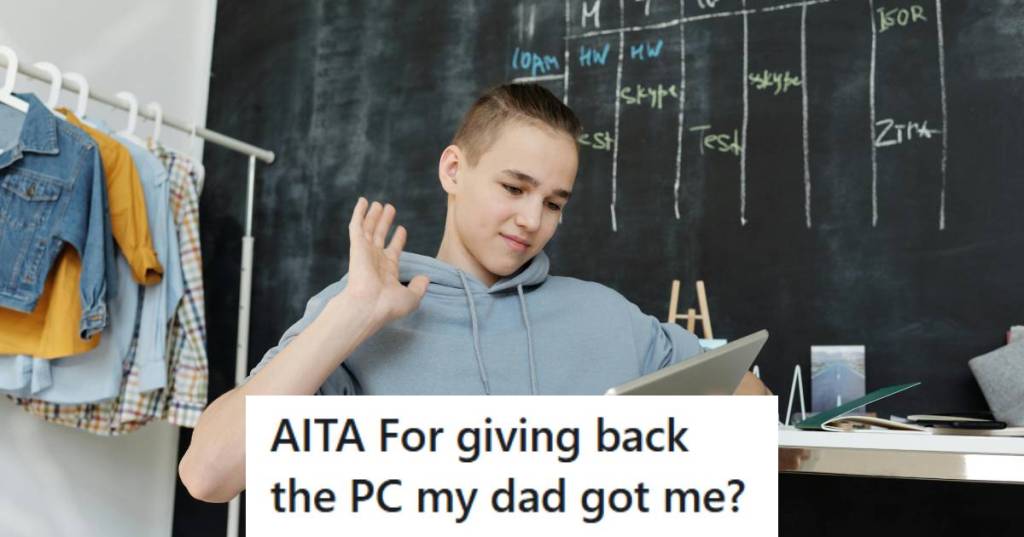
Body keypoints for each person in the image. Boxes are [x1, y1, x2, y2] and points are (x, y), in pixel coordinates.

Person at [178, 83, 770, 503]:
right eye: (514, 187)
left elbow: (748, 396)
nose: (531, 220)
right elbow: (209, 475)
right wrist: (353, 315)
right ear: (454, 171)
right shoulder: (359, 311)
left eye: (554, 203)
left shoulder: (605, 315)